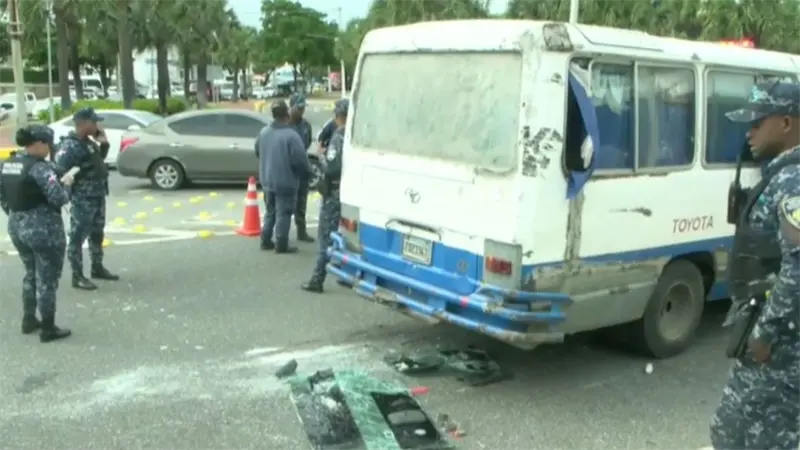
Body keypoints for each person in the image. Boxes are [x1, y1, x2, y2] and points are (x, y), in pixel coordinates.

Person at [710, 80, 800, 449]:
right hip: (777, 339)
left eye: (757, 122)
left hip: (782, 347)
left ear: (786, 123)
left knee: (739, 435)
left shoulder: (794, 181)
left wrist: (767, 332)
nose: (749, 132)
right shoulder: (782, 174)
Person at [0, 125, 72, 342]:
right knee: (47, 278)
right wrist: (67, 185)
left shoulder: (8, 164)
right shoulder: (39, 168)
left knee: (30, 272)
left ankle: (29, 319)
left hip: (16, 225)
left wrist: (15, 213)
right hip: (43, 229)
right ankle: (48, 328)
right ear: (40, 143)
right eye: (49, 144)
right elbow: (58, 198)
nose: (50, 148)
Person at [56, 107, 119, 291]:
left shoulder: (88, 142)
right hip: (83, 198)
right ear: (83, 124)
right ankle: (77, 275)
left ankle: (97, 267)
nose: (97, 125)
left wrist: (104, 144)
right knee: (77, 237)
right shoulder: (70, 146)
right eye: (94, 122)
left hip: (97, 195)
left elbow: (97, 161)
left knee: (97, 234)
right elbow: (59, 170)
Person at [302, 98, 349, 293]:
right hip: (349, 192)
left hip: (333, 193)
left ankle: (317, 279)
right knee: (346, 234)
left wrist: (321, 156)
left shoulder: (339, 136)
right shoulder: (356, 134)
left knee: (325, 237)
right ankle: (347, 274)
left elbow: (331, 167)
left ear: (338, 116)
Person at [255, 99, 312, 253]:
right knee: (284, 213)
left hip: (267, 179)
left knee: (270, 211)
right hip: (286, 181)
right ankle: (281, 244)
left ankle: (265, 240)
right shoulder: (291, 136)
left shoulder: (264, 132)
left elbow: (257, 152)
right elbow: (300, 161)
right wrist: (307, 174)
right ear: (286, 113)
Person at [288, 93, 315, 243]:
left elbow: (307, 143)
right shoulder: (285, 125)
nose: (302, 110)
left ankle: (301, 231)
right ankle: (282, 234)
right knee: (286, 203)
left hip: (301, 169)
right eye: (299, 108)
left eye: (303, 107)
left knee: (302, 201)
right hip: (288, 170)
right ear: (291, 108)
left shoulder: (306, 125)